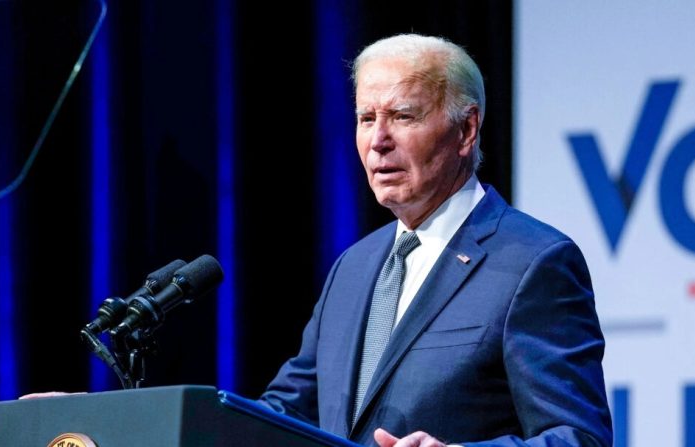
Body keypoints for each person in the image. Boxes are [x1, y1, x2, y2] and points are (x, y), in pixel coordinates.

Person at [259, 34, 612, 447]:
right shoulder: (352, 267)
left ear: (466, 129)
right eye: (367, 118)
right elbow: (284, 413)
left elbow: (579, 438)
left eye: (403, 116)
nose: (378, 141)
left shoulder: (534, 262)